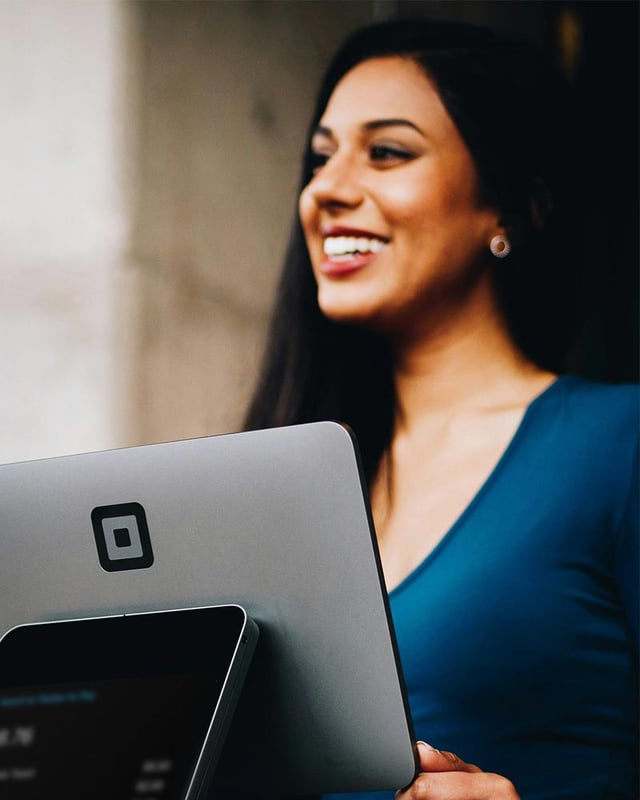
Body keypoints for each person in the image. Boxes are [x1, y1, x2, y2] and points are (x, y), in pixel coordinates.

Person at [243, 19, 638, 800]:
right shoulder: (273, 485)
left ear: (511, 208)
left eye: (386, 151)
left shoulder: (617, 447)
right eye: (320, 158)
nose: (326, 189)